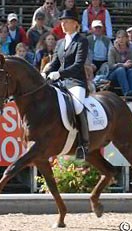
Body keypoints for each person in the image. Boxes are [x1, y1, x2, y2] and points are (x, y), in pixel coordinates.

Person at [43, 9, 89, 159]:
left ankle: (83, 144)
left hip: (76, 82)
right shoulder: (60, 43)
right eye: (62, 21)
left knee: (77, 106)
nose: (63, 24)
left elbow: (78, 65)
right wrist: (45, 72)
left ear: (75, 24)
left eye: (67, 21)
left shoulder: (82, 41)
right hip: (59, 82)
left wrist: (60, 74)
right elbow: (55, 62)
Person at [107, 30, 132, 96]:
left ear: (127, 39)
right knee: (120, 69)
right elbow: (111, 65)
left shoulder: (131, 50)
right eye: (119, 38)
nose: (121, 40)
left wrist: (130, 64)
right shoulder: (112, 50)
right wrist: (123, 65)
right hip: (114, 74)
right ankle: (126, 93)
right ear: (116, 39)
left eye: (123, 38)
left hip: (127, 72)